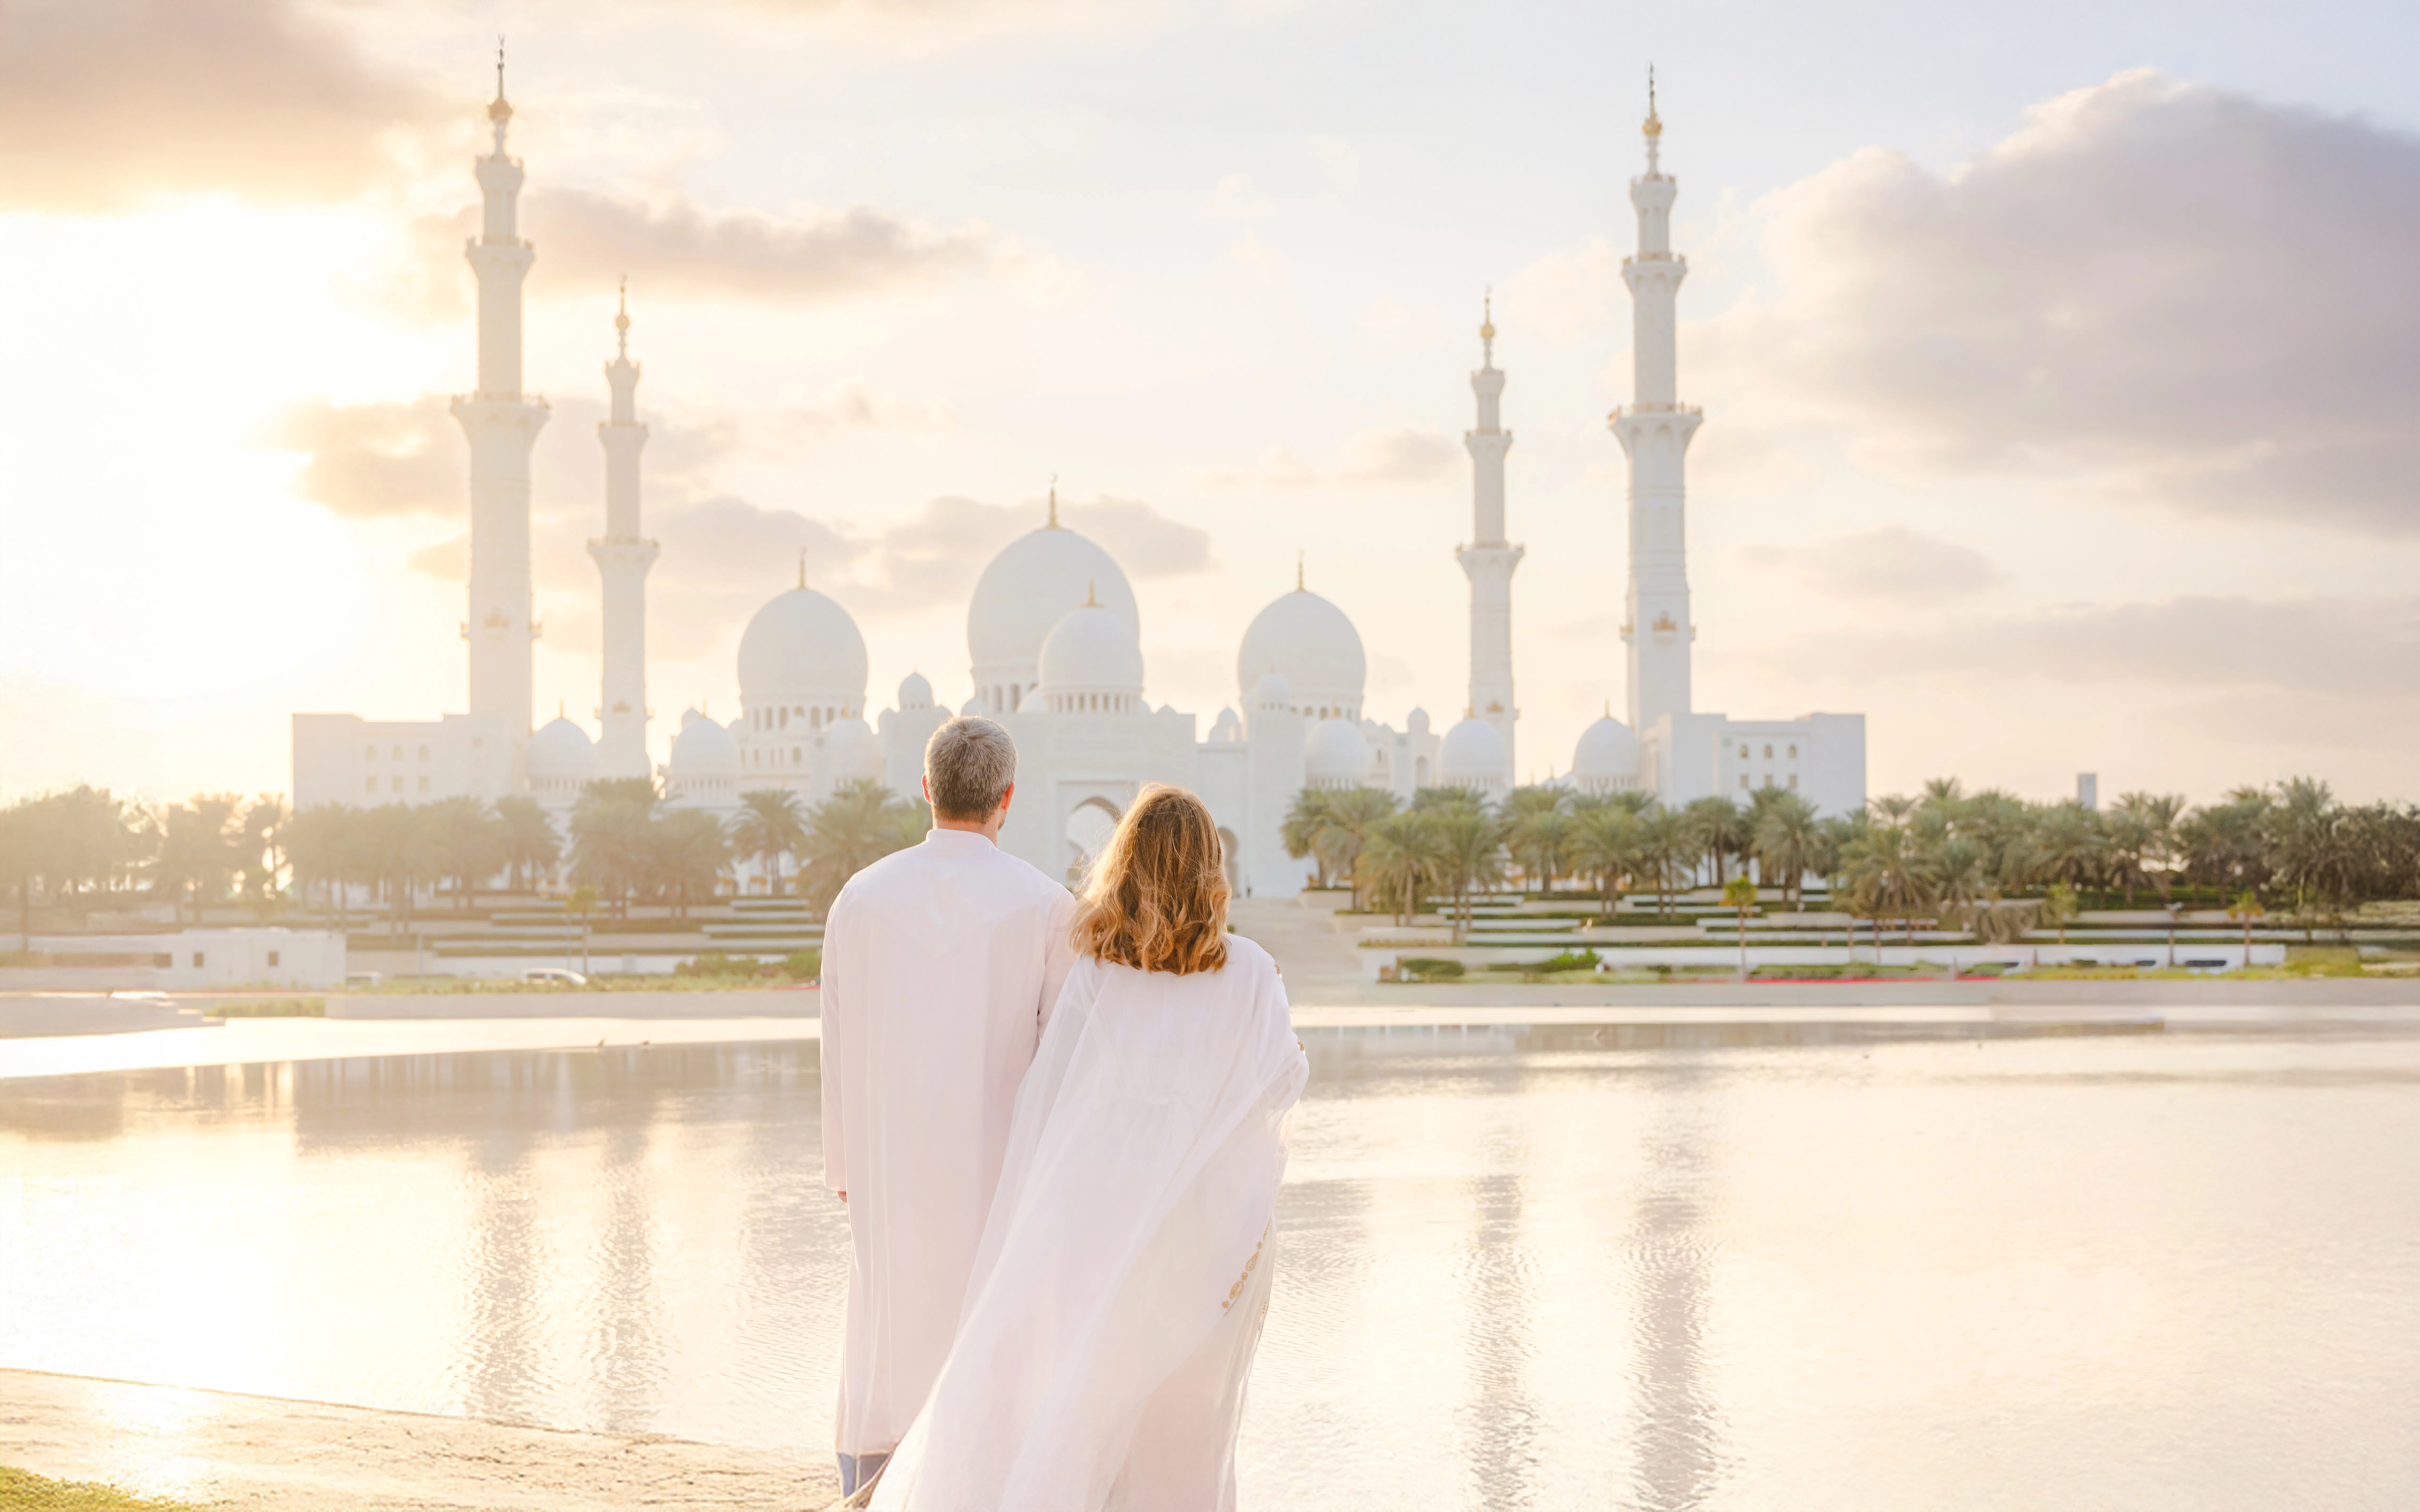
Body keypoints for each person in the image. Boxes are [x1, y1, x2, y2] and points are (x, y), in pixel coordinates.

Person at [867, 784, 1310, 1512]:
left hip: (1099, 1222)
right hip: (1207, 1235)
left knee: (1092, 1403)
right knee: (1189, 1425)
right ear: (1212, 868)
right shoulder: (1254, 972)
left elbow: (1052, 1093)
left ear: (1125, 864)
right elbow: (1282, 1086)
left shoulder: (1098, 971)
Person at [819, 715, 1079, 1496]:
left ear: (927, 788)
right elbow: (1060, 1065)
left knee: (884, 1344)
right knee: (992, 1353)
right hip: (997, 1181)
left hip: (886, 1169)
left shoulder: (860, 898)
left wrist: (844, 1164)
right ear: (1007, 797)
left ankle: (873, 1485)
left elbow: (836, 1044)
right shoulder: (1046, 905)